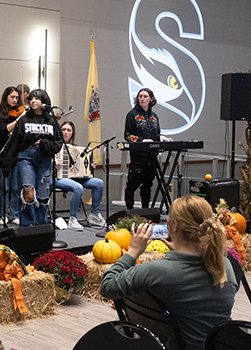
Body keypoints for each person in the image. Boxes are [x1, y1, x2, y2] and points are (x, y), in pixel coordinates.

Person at [100, 195, 238, 350]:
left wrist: (132, 252)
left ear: (174, 226)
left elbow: (107, 286)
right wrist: (181, 252)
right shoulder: (224, 265)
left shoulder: (157, 271)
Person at [4, 89, 62, 227]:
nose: (33, 101)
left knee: (43, 196)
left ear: (44, 101)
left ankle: (41, 227)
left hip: (44, 158)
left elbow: (58, 143)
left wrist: (44, 143)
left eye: (37, 98)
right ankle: (28, 227)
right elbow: (15, 142)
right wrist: (7, 162)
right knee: (29, 195)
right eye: (31, 98)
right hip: (26, 158)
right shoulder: (24, 119)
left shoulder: (51, 121)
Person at [123, 87, 172, 209]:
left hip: (152, 157)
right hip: (138, 157)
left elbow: (156, 134)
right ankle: (129, 211)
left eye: (145, 96)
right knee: (132, 185)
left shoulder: (154, 116)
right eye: (140, 96)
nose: (142, 99)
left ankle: (146, 210)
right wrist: (141, 140)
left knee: (147, 185)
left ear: (151, 99)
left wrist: (161, 137)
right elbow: (128, 135)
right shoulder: (132, 115)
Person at [54, 121, 105, 230]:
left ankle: (94, 215)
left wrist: (90, 166)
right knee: (78, 188)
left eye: (69, 130)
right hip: (57, 177)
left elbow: (81, 166)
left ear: (72, 133)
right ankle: (73, 219)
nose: (65, 132)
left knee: (99, 183)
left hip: (75, 178)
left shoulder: (76, 149)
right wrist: (53, 162)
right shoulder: (53, 146)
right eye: (63, 129)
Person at [0, 86, 23, 225]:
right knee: (4, 187)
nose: (15, 100)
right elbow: (3, 130)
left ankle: (14, 214)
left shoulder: (21, 113)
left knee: (16, 187)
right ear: (6, 97)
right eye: (12, 97)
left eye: (17, 97)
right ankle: (3, 214)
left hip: (16, 153)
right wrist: (18, 120)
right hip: (3, 155)